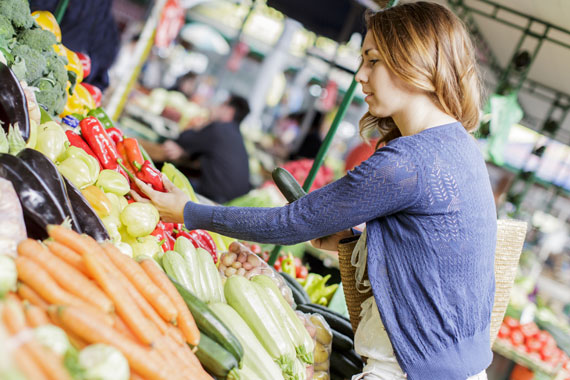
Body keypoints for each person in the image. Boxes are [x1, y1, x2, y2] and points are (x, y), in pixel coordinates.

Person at [132, 3, 497, 379]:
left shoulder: (407, 161)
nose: (360, 75)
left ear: (416, 62)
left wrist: (190, 212)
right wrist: (356, 243)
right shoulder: (460, 146)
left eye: (373, 61)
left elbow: (293, 222)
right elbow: (436, 255)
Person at [140, 94, 251, 204]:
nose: (217, 106)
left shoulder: (219, 129)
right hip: (230, 202)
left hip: (213, 200)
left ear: (229, 111)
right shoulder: (235, 135)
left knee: (163, 181)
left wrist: (208, 120)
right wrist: (185, 152)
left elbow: (183, 139)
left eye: (222, 104)